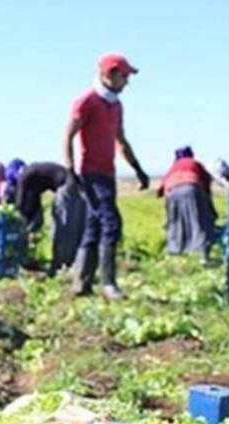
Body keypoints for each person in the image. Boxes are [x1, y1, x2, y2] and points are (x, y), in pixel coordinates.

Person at [65, 53, 149, 299]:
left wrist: (138, 169)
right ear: (109, 74)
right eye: (124, 76)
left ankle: (81, 282)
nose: (127, 82)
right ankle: (108, 283)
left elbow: (120, 140)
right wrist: (70, 169)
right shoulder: (87, 101)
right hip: (91, 174)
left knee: (94, 226)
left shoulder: (115, 105)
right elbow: (68, 135)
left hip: (108, 174)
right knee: (111, 224)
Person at [156, 146, 217, 260]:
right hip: (192, 188)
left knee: (174, 222)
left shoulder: (173, 167)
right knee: (200, 221)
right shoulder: (195, 163)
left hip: (172, 192)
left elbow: (161, 189)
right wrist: (210, 207)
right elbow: (206, 182)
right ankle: (204, 256)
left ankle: (174, 253)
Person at [13, 162, 71, 232]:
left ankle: (63, 240)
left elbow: (19, 200)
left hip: (66, 182)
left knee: (62, 218)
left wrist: (15, 214)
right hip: (65, 179)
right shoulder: (34, 178)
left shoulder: (23, 177)